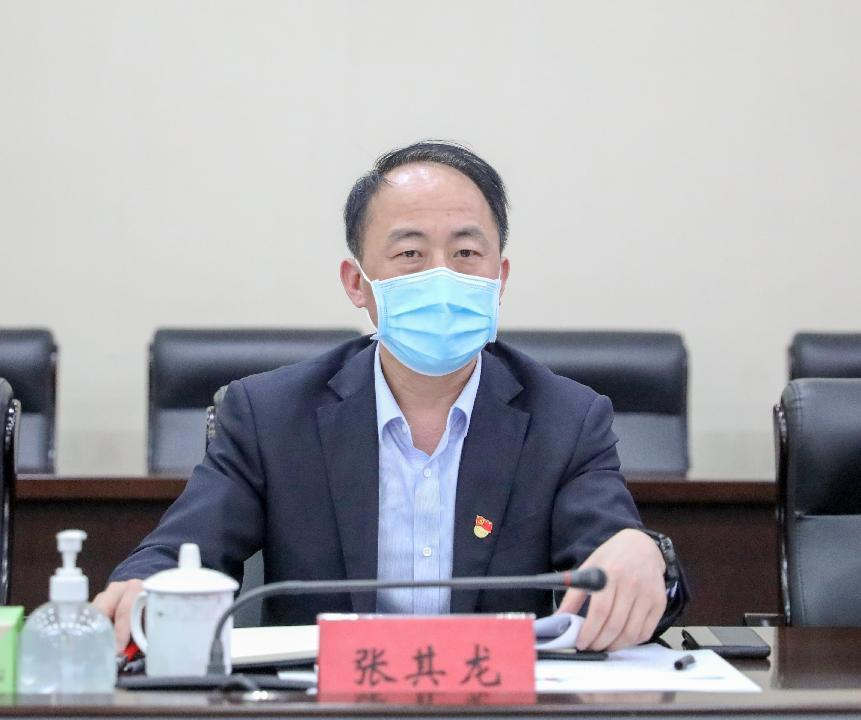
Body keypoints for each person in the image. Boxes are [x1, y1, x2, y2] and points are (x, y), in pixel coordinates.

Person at [94, 141, 686, 653]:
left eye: (466, 253)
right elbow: (178, 553)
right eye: (410, 254)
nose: (442, 276)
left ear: (499, 277)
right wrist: (145, 587)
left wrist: (645, 556)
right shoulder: (269, 415)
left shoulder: (566, 418)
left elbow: (619, 562)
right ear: (358, 283)